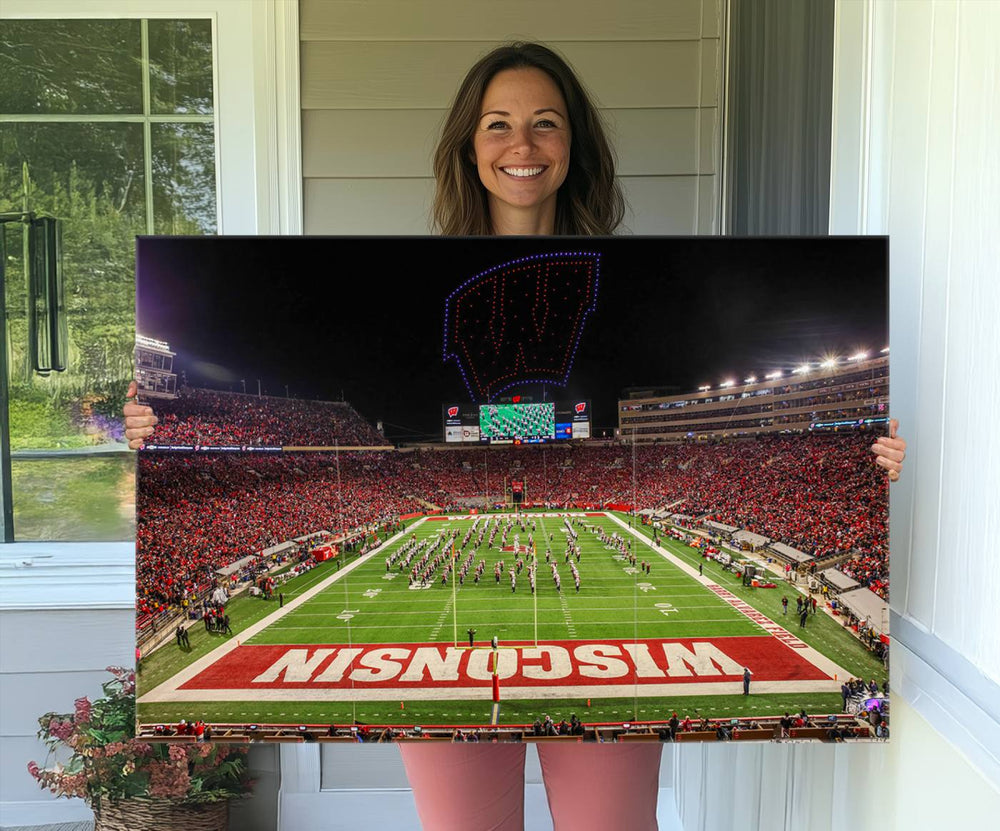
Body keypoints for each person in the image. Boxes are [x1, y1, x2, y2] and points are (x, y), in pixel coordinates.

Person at [122, 39, 908, 831]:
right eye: (497, 124)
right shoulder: (415, 277)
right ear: (469, 145)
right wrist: (149, 438)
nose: (521, 145)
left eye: (546, 123)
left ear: (575, 146)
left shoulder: (631, 276)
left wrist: (873, 458)